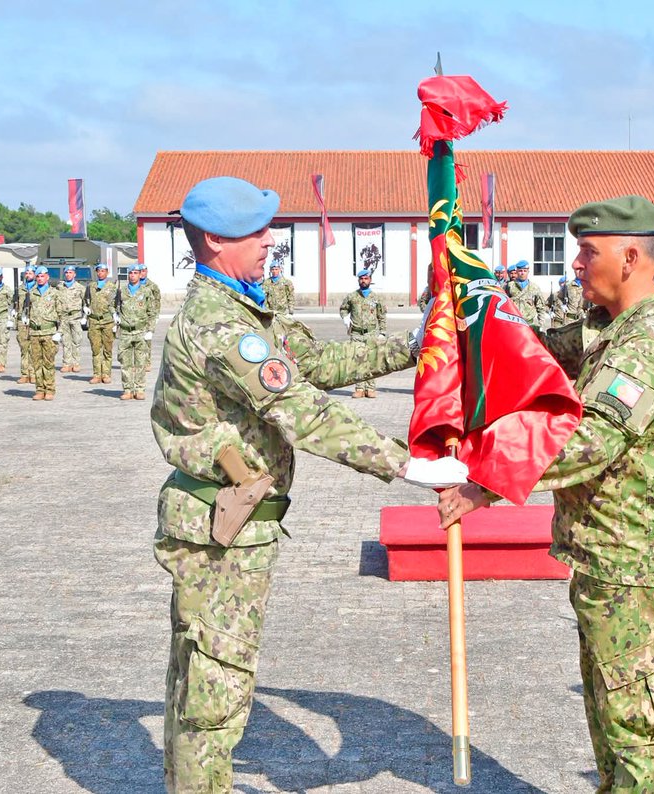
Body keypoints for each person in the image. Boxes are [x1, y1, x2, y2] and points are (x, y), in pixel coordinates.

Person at [150, 176, 466, 793]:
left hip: (238, 524)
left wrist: (412, 346)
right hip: (219, 530)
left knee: (211, 680)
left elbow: (315, 365)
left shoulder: (246, 302)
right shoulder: (218, 324)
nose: (270, 241)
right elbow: (300, 406)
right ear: (215, 239)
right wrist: (406, 464)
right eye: (256, 231)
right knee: (213, 692)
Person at [438, 194, 654, 793]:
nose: (577, 265)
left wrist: (487, 478)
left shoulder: (652, 338)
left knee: (636, 716)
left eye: (588, 252)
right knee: (607, 702)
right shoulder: (611, 326)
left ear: (632, 256)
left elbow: (593, 438)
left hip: (632, 557)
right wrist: (466, 321)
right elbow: (528, 348)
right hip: (604, 552)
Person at [338, 269, 387, 398]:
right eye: (361, 279)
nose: (363, 281)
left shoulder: (376, 298)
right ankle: (359, 388)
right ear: (358, 280)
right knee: (358, 360)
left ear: (370, 280)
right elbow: (343, 309)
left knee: (371, 360)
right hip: (356, 334)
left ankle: (370, 388)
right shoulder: (352, 296)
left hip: (371, 333)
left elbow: (381, 316)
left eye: (366, 278)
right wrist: (345, 318)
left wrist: (383, 332)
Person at [116, 264, 152, 400]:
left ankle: (140, 388)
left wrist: (151, 330)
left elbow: (152, 312)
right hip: (125, 331)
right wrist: (116, 317)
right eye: (130, 273)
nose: (132, 276)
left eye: (135, 273)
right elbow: (115, 306)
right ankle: (127, 389)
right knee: (125, 362)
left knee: (140, 362)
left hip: (140, 330)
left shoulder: (146, 291)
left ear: (140, 275)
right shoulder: (122, 291)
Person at [27, 266, 62, 400]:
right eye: (38, 276)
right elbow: (26, 310)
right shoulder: (32, 292)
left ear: (47, 277)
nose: (40, 278)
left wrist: (60, 332)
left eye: (42, 276)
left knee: (48, 362)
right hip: (35, 332)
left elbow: (61, 314)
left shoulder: (54, 293)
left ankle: (50, 389)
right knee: (36, 363)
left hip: (49, 332)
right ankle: (39, 389)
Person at [86, 263, 117, 385]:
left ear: (107, 272)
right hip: (94, 321)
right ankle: (96, 374)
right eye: (98, 271)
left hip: (107, 321)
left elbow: (116, 303)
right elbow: (86, 300)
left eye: (103, 271)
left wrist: (116, 317)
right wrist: (85, 309)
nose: (100, 273)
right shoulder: (91, 286)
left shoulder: (112, 287)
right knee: (95, 348)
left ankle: (106, 374)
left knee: (107, 348)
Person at [57, 265, 84, 373]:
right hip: (64, 317)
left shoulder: (80, 287)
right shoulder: (60, 287)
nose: (68, 274)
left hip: (75, 317)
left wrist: (85, 316)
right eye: (67, 273)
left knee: (76, 340)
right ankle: (66, 363)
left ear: (74, 274)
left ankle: (76, 363)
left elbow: (86, 302)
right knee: (65, 341)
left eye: (70, 272)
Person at [507, 260, 548, 327]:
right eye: (520, 271)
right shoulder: (510, 286)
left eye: (525, 271)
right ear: (517, 271)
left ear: (528, 272)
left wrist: (540, 325)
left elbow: (541, 307)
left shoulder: (534, 287)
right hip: (513, 324)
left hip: (529, 324)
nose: (522, 273)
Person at [16, 266, 37, 385]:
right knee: (24, 348)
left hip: (34, 320)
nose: (28, 275)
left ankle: (33, 373)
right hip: (22, 321)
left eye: (30, 273)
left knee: (33, 348)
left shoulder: (37, 288)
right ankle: (24, 374)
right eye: (27, 273)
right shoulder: (20, 289)